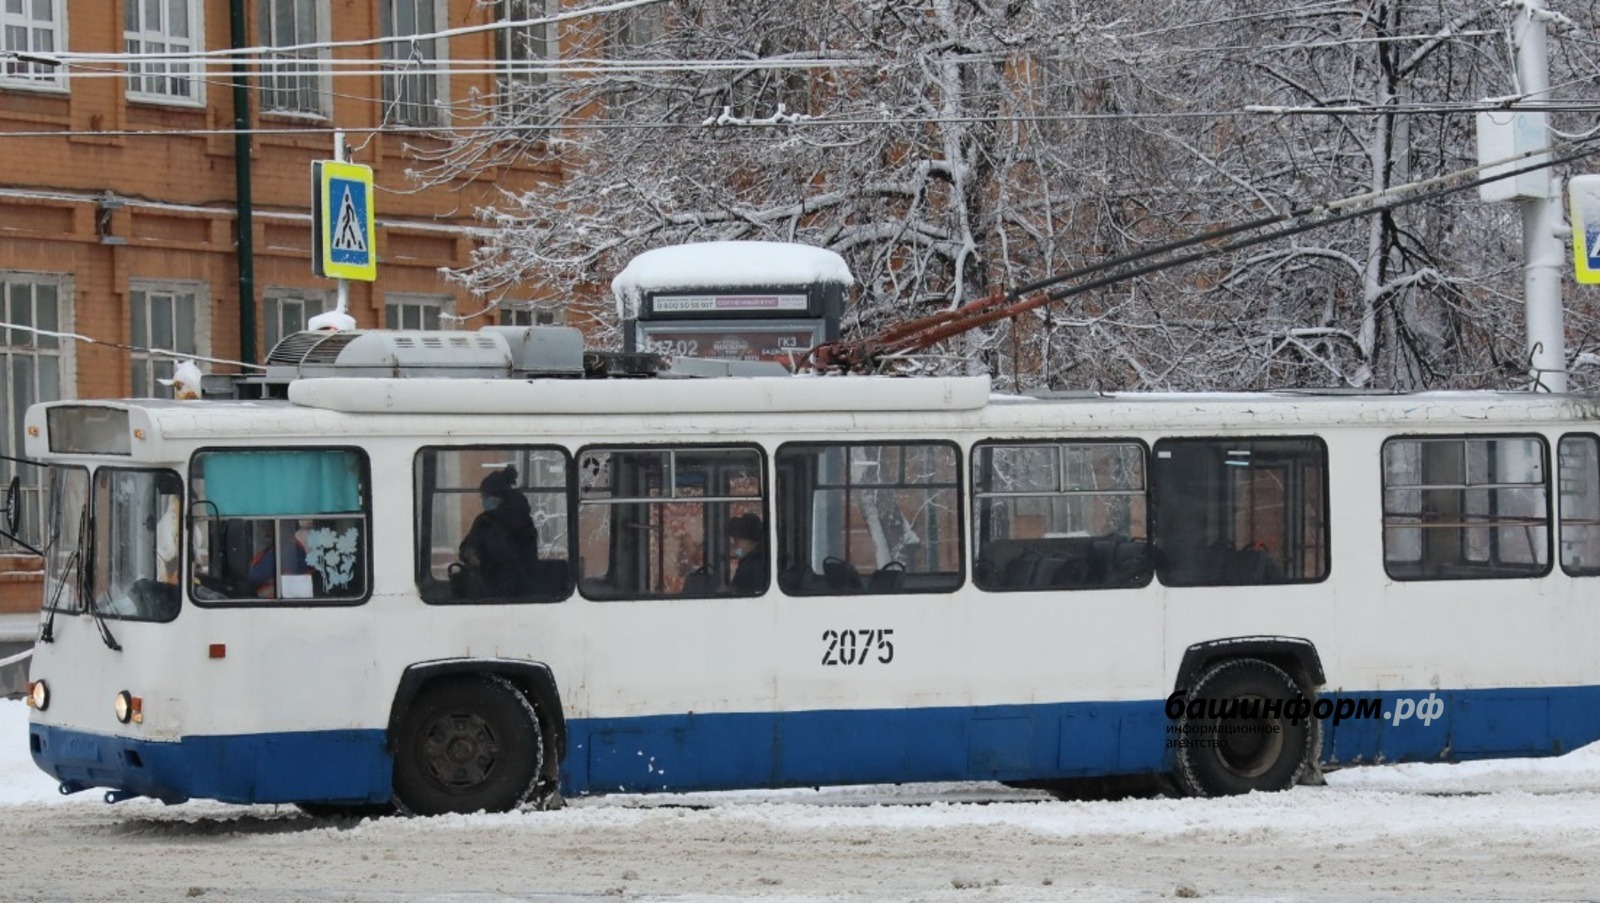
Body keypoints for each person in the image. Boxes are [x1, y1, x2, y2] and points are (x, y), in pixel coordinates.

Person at [459, 467, 539, 597]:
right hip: (502, 588)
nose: (483, 500)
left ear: (499, 497)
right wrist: (469, 553)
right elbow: (467, 546)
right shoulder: (485, 521)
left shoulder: (519, 522)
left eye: (485, 496)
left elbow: (512, 558)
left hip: (512, 590)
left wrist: (481, 560)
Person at [727, 512, 768, 595]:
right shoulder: (748, 561)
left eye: (737, 540)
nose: (734, 545)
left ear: (751, 541)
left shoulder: (755, 565)